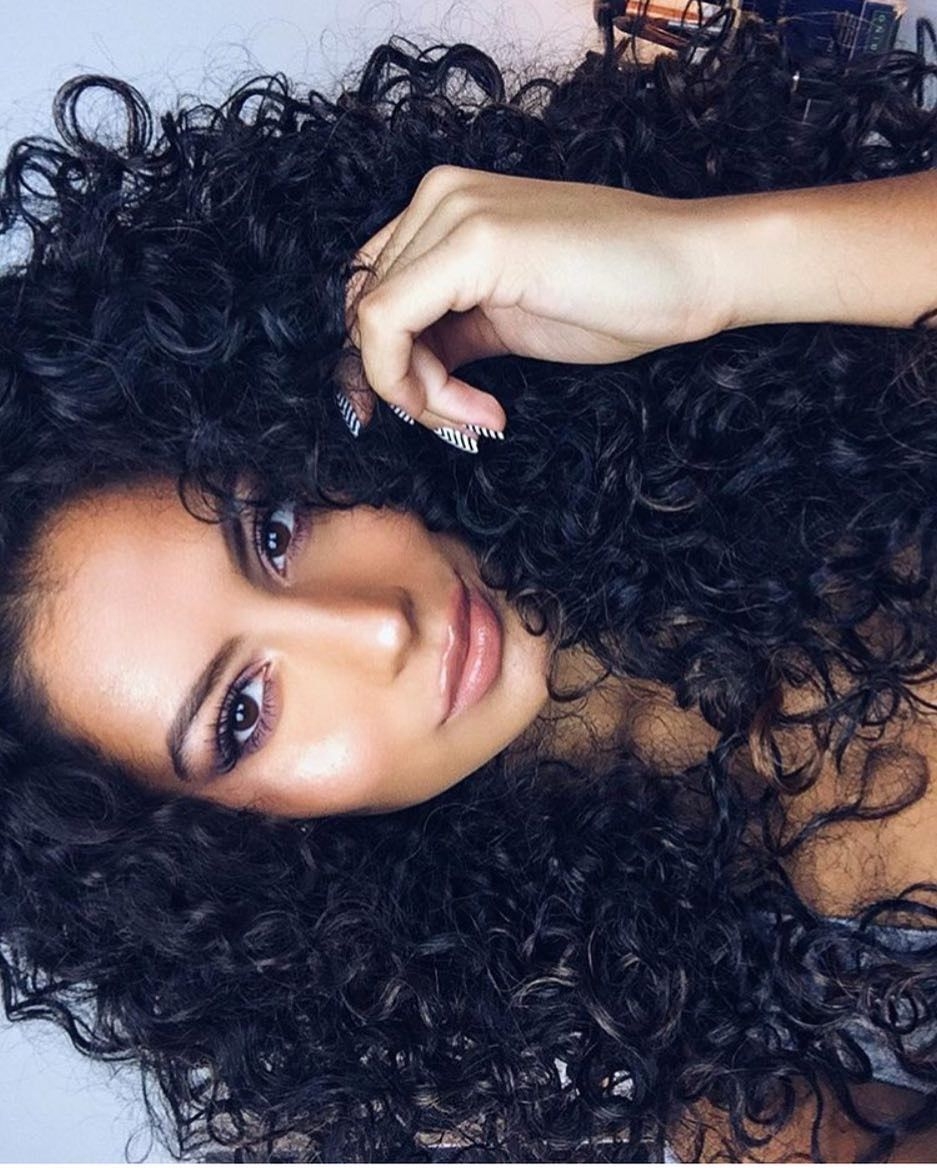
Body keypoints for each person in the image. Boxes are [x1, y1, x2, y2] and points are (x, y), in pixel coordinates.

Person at [0, 4, 936, 1160]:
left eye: (275, 530)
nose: (376, 631)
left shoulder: (782, 407)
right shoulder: (662, 1031)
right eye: (242, 713)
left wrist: (713, 266)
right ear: (221, 856)